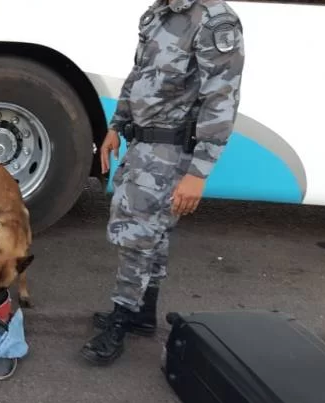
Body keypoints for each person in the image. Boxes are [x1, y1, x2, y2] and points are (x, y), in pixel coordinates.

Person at [82, 0, 245, 366]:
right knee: (151, 234)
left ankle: (121, 319)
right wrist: (116, 126)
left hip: (171, 151)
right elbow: (138, 74)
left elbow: (221, 100)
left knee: (137, 236)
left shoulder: (214, 21)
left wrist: (198, 173)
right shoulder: (160, 12)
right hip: (144, 144)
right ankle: (142, 313)